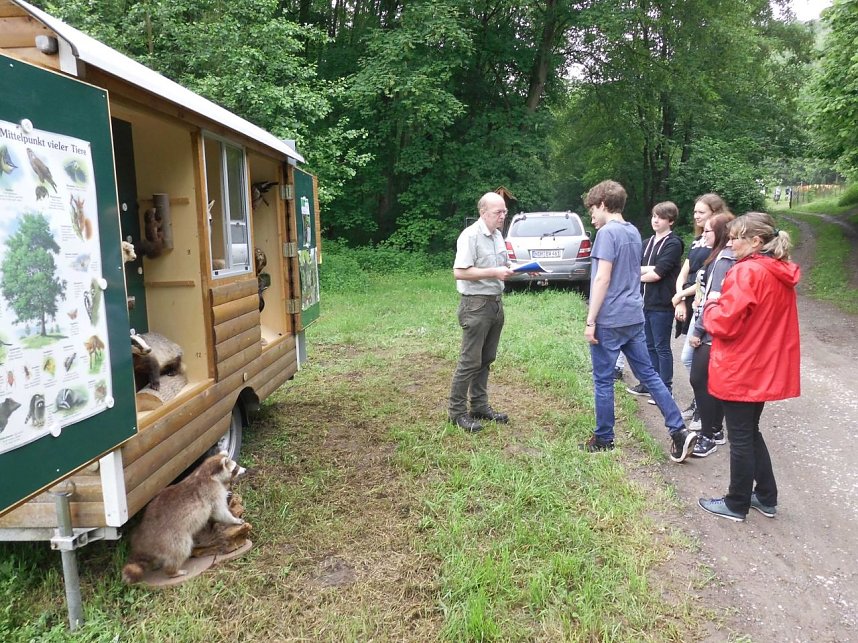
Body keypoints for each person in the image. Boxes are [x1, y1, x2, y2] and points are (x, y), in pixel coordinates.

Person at [581, 180, 697, 461]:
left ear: (603, 205)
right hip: (634, 316)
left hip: (609, 318)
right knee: (650, 375)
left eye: (592, 210)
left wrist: (590, 320)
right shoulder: (633, 231)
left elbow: (602, 277)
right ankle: (678, 431)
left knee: (603, 380)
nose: (591, 216)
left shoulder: (607, 234)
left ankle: (604, 438)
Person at [698, 212, 800, 521]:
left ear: (755, 241)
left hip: (742, 365)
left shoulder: (748, 272)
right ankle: (766, 497)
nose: (729, 243)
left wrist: (711, 304)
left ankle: (736, 503)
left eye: (734, 238)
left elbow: (724, 324)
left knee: (740, 436)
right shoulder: (777, 269)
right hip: (762, 363)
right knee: (749, 431)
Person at [448, 192, 516, 433]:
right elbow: (460, 272)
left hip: (495, 304)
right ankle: (456, 413)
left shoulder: (497, 236)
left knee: (486, 359)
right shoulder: (470, 236)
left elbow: (500, 266)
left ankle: (479, 406)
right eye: (498, 212)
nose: (503, 216)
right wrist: (495, 273)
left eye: (505, 211)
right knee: (469, 361)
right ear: (483, 212)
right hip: (475, 305)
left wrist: (510, 270)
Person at [671, 193, 730, 424]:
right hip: (696, 307)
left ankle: (709, 416)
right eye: (694, 212)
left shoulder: (720, 253)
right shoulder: (698, 242)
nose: (696, 216)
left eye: (701, 212)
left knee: (697, 365)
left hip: (706, 314)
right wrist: (680, 296)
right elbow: (687, 273)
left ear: (715, 215)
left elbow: (706, 284)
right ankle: (701, 406)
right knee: (692, 363)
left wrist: (682, 295)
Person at [687, 212, 736, 457]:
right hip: (710, 328)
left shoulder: (724, 260)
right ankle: (715, 430)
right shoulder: (718, 256)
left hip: (710, 332)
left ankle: (709, 434)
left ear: (721, 233)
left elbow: (713, 299)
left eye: (708, 230)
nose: (703, 233)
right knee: (707, 381)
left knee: (699, 379)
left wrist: (698, 330)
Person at [626, 201, 684, 401]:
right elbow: (637, 266)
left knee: (661, 346)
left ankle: (665, 389)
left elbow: (659, 273)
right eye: (654, 216)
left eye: (660, 217)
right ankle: (649, 384)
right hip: (644, 302)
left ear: (671, 221)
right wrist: (647, 270)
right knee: (647, 345)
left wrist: (640, 273)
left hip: (662, 304)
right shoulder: (647, 242)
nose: (656, 220)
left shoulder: (673, 243)